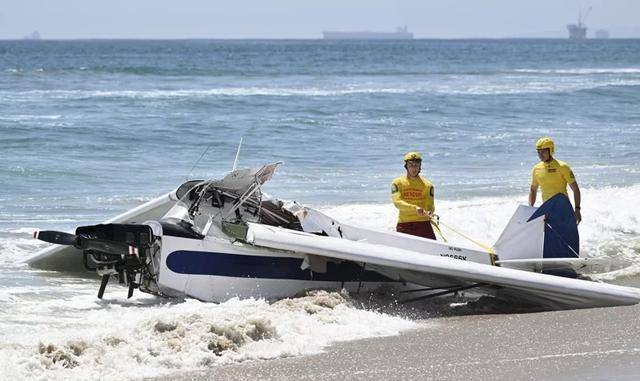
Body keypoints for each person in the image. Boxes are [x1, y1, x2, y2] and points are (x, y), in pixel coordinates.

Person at [529, 137, 582, 223]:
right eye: (538, 152)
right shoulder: (536, 169)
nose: (540, 155)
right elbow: (533, 189)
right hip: (547, 212)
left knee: (566, 236)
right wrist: (530, 207)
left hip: (564, 209)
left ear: (551, 151)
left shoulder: (563, 167)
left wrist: (577, 209)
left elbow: (575, 189)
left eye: (543, 152)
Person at [391, 152, 436, 239]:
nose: (413, 168)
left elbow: (430, 205)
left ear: (420, 167)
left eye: (416, 165)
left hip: (423, 224)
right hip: (404, 224)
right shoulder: (397, 183)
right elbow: (397, 203)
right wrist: (415, 208)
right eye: (410, 165)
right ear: (406, 166)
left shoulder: (428, 185)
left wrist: (430, 212)